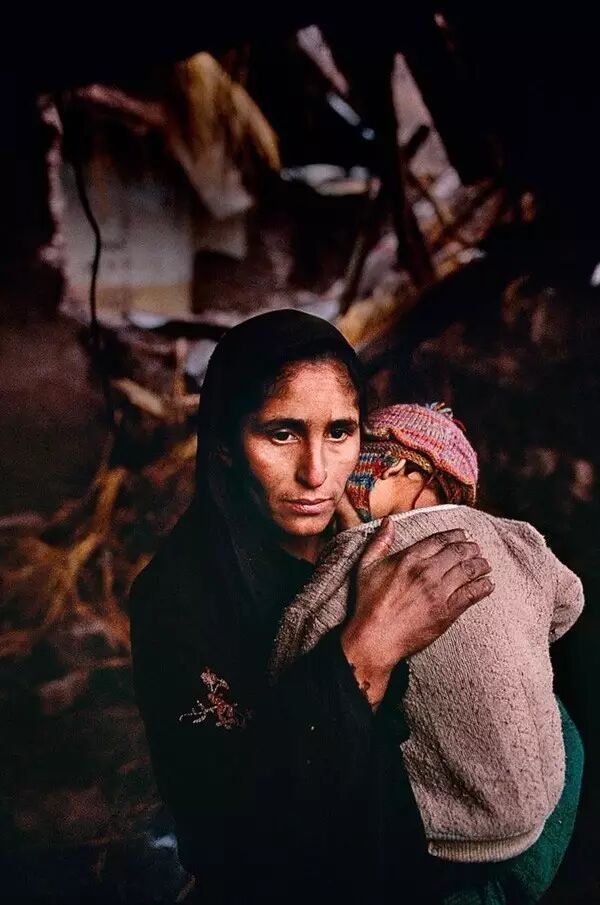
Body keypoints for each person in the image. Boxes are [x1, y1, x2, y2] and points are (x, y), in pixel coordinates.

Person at [129, 310, 499, 905]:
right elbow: (231, 829)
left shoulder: (380, 535)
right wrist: (366, 651)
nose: (316, 473)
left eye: (340, 432)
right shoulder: (178, 599)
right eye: (282, 434)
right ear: (223, 444)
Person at [272, 402, 584, 892]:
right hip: (550, 799)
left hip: (459, 840)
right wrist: (514, 636)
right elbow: (570, 601)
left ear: (396, 465)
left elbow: (295, 646)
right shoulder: (509, 535)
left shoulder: (362, 552)